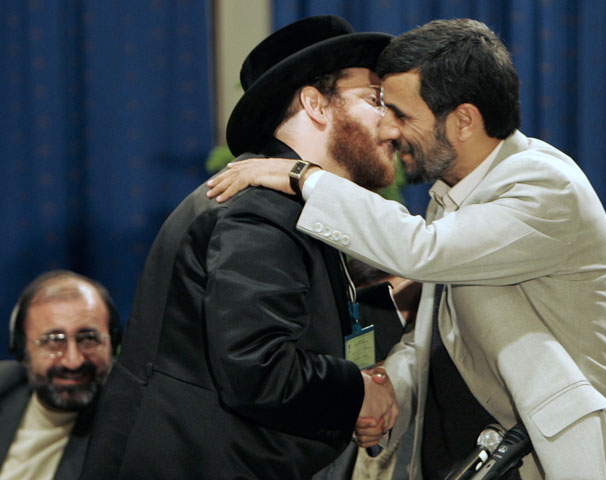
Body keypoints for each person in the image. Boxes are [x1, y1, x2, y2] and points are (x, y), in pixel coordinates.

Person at [207, 18, 606, 480]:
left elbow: (422, 250)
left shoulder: (544, 185)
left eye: (402, 115)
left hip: (544, 462)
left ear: (464, 120)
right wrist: (388, 390)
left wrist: (302, 176)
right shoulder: (451, 194)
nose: (387, 130)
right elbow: (434, 337)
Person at [80, 16, 399, 480]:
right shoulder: (258, 211)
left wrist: (395, 311)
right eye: (375, 100)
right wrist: (357, 392)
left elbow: (309, 332)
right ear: (315, 104)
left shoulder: (291, 206)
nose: (393, 125)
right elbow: (259, 369)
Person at [0, 270, 120, 480]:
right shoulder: (5, 385)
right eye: (54, 341)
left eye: (88, 339)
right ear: (22, 349)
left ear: (113, 343)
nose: (73, 361)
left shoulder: (129, 425)